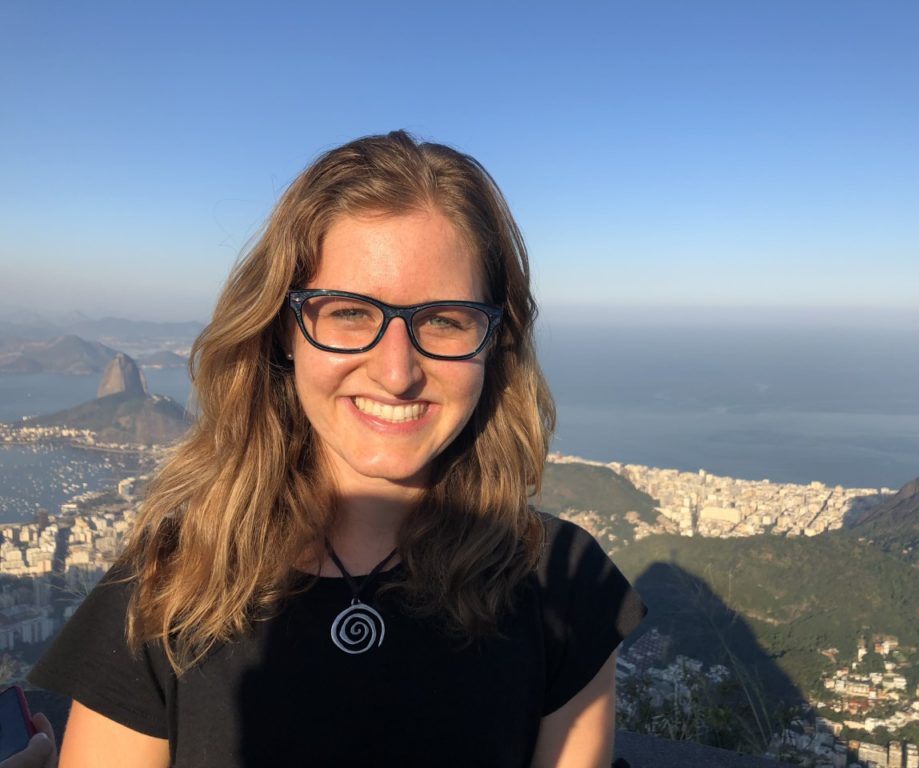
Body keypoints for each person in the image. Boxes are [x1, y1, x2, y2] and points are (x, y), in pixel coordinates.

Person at [29, 131, 645, 767]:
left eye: (444, 319)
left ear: (492, 343)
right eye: (349, 313)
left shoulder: (564, 586)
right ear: (283, 333)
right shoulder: (170, 579)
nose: (397, 371)